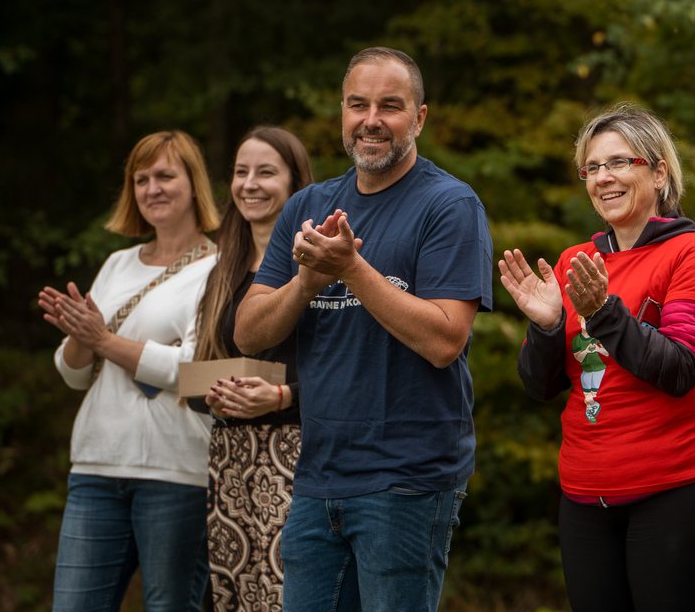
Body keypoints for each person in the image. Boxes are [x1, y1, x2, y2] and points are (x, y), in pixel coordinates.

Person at [233, 47, 494, 612]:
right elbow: (248, 334)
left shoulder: (449, 205)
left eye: (389, 106)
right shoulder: (308, 205)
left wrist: (351, 268)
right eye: (358, 105)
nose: (371, 119)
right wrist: (305, 283)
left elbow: (445, 340)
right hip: (317, 476)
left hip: (408, 480)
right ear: (342, 113)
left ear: (419, 118)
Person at [500, 103, 695, 612]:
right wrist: (547, 328)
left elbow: (680, 369)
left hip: (683, 489)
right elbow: (540, 387)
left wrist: (603, 312)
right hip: (586, 498)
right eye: (591, 168)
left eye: (618, 162)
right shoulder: (577, 261)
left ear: (658, 173)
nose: (602, 177)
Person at [38, 130, 222, 612]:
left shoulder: (219, 268)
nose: (152, 188)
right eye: (141, 180)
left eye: (165, 176)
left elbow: (195, 369)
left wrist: (103, 340)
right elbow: (74, 375)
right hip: (96, 465)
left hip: (175, 472)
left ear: (194, 184)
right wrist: (81, 334)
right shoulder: (118, 264)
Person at [188, 126, 315, 611]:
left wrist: (284, 396)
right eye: (241, 172)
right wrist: (215, 396)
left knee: (292, 595)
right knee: (236, 595)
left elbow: (350, 370)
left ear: (296, 183)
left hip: (302, 455)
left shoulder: (319, 266)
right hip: (232, 458)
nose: (249, 184)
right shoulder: (222, 271)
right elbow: (197, 375)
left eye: (266, 172)